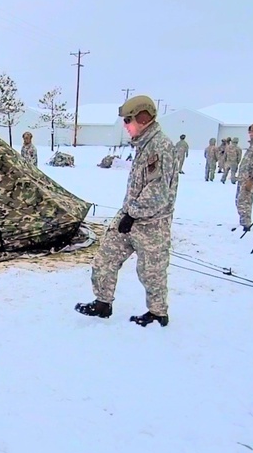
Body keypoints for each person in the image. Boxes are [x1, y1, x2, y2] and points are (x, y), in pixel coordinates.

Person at [75, 95, 179, 327]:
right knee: (105, 258)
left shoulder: (160, 147)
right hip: (129, 217)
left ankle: (157, 313)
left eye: (128, 120)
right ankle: (102, 303)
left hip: (151, 224)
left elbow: (157, 192)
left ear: (143, 118)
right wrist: (128, 215)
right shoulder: (144, 145)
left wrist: (132, 214)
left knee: (151, 271)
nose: (125, 125)